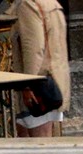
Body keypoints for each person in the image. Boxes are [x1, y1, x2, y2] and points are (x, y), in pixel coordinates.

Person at [15, 0, 70, 138]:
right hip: (53, 80)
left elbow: (33, 49)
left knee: (40, 143)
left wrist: (27, 85)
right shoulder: (51, 3)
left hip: (37, 87)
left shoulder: (27, 5)